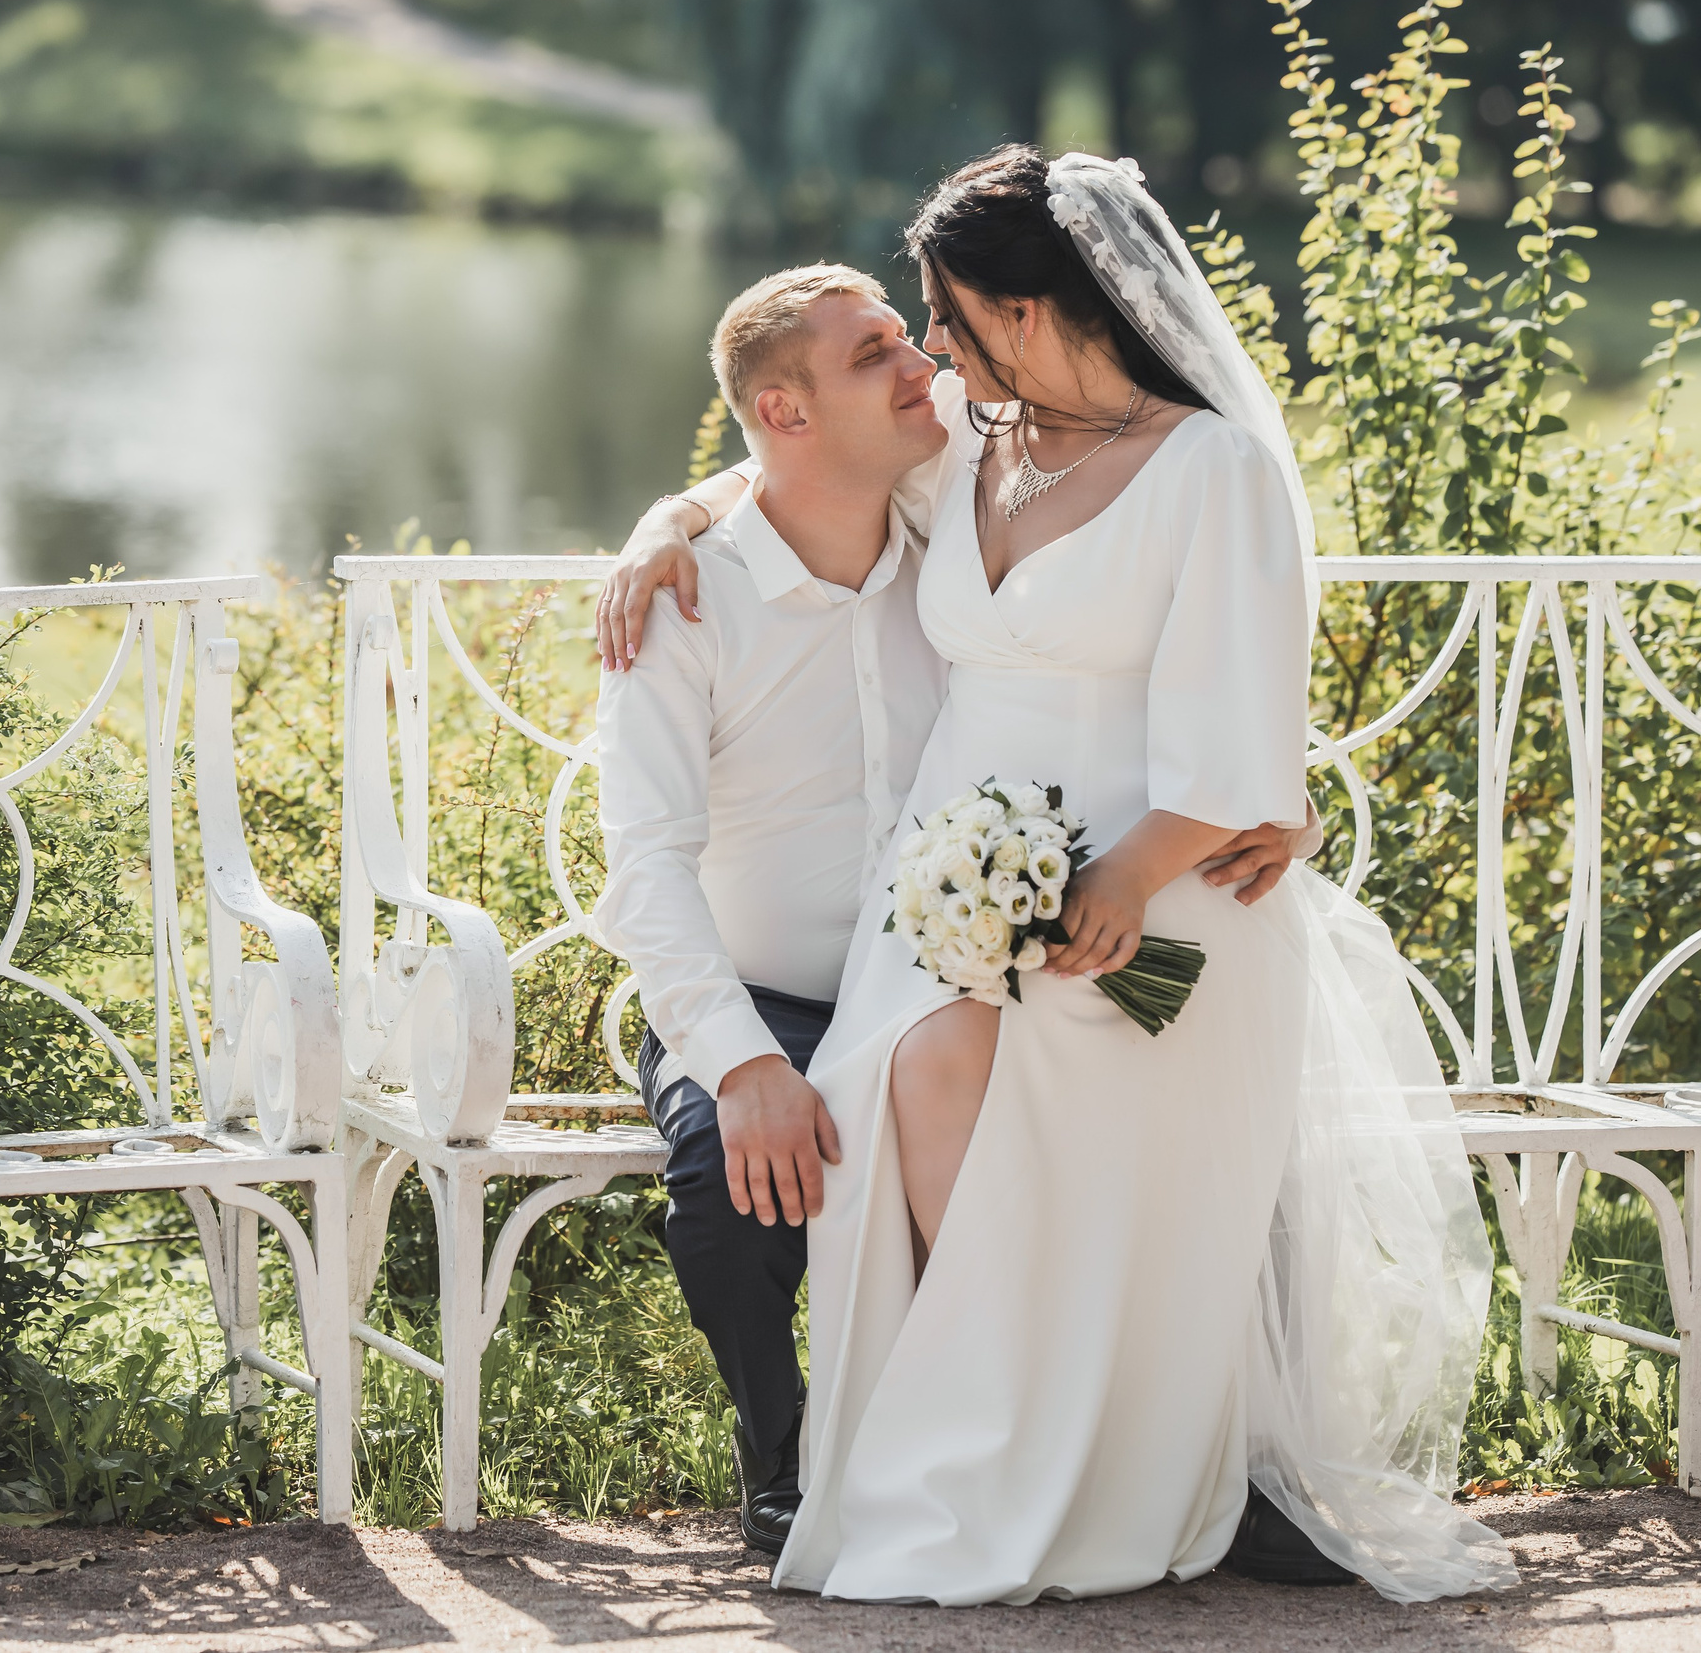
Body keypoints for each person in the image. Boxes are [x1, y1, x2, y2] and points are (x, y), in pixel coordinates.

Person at [600, 147, 1516, 1606]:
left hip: (1146, 884)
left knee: (1038, 1103)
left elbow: (1232, 717)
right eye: (907, 336)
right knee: (908, 1082)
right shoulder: (970, 441)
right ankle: (963, 1454)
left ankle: (1135, 1465)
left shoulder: (1189, 464)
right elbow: (783, 452)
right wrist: (669, 522)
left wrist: (1159, 860)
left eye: (941, 318)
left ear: (1022, 312)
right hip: (943, 899)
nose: (930, 351)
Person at [589, 259, 1302, 1559]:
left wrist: (1262, 795)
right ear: (787, 413)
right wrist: (741, 1063)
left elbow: (1140, 631)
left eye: (909, 337)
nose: (924, 365)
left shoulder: (951, 532)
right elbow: (643, 866)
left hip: (953, 973)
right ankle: (784, 1455)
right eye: (877, 354)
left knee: (1117, 1095)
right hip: (758, 1001)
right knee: (727, 1184)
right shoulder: (691, 603)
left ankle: (1141, 1456)